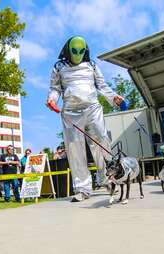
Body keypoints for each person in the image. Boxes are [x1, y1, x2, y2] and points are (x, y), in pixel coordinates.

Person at [46, 36, 124, 202]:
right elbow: (55, 88)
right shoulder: (59, 66)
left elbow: (102, 85)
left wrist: (114, 98)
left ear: (85, 51)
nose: (78, 54)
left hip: (93, 109)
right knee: (75, 150)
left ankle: (108, 180)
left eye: (81, 51)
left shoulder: (91, 65)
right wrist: (52, 99)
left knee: (102, 142)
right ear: (68, 50)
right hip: (71, 113)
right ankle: (83, 189)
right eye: (74, 51)